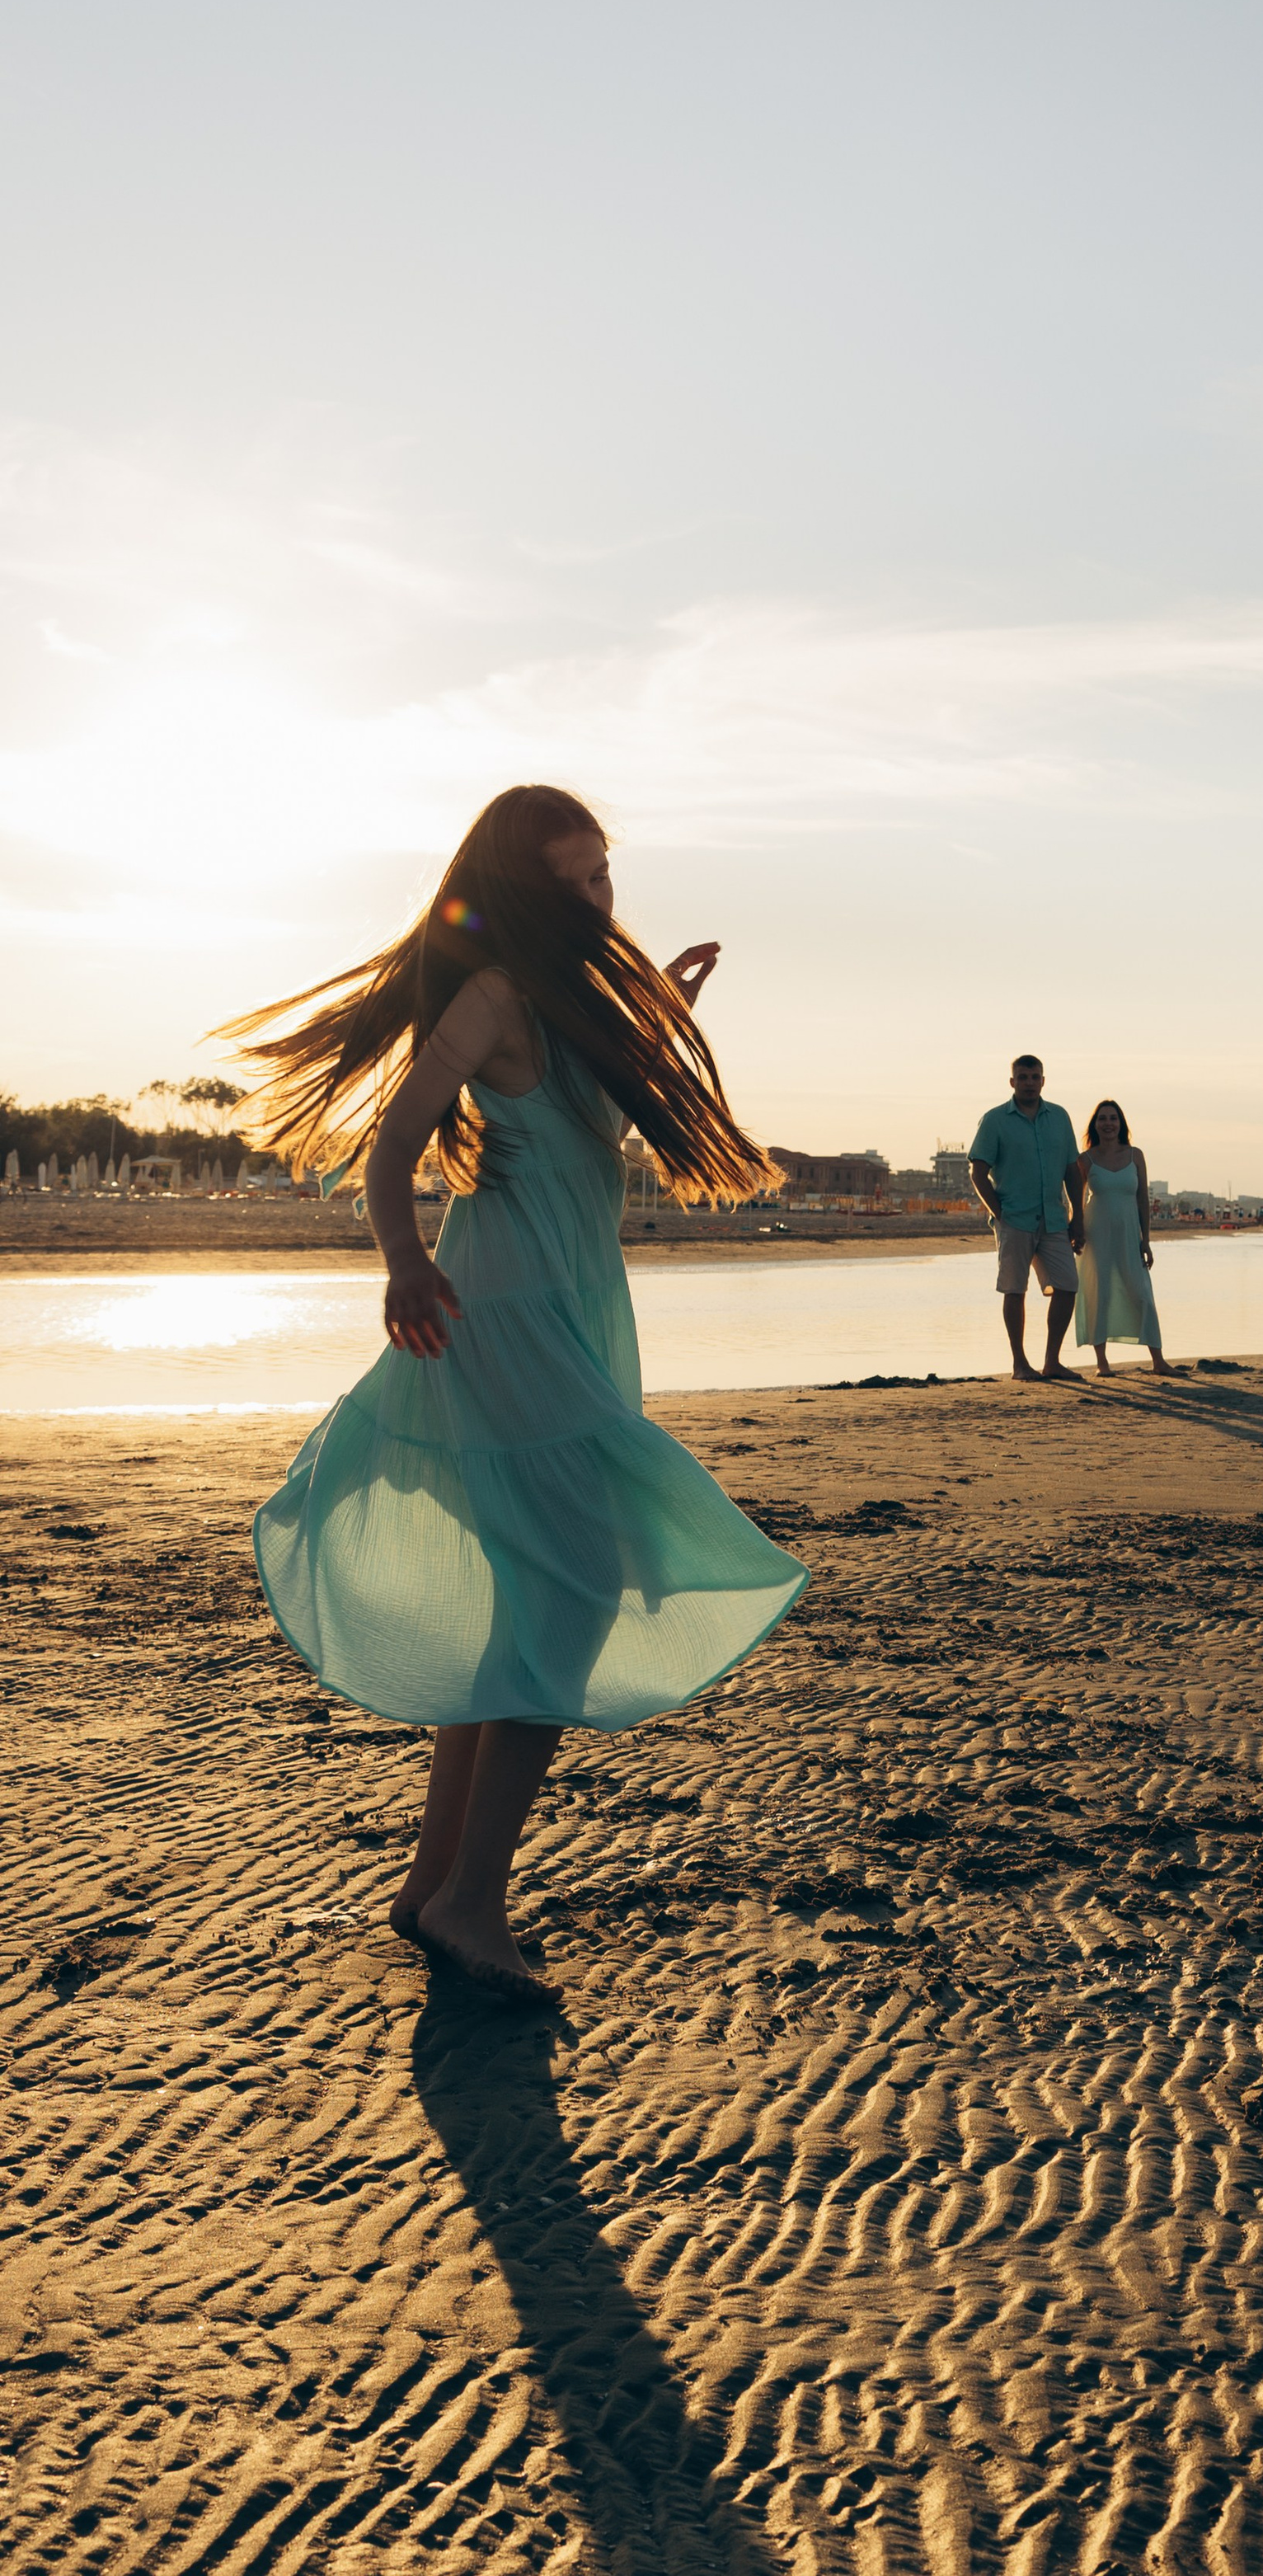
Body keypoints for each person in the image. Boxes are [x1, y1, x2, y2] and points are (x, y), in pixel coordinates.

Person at [219, 784, 805, 2002]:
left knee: (525, 1607)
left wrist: (674, 1007)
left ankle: (438, 1886)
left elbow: (592, 1114)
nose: (600, 898)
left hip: (569, 1314)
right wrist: (402, 1259)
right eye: (575, 880)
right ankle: (476, 1902)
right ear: (522, 893)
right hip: (509, 1317)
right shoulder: (491, 997)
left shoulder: (569, 1003)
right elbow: (392, 1144)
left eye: (606, 875)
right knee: (572, 1598)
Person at [966, 1055, 1082, 1381]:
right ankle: (1020, 1363)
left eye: (1035, 1076)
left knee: (1068, 1285)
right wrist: (999, 1213)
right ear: (1012, 1082)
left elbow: (1073, 1171)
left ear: (1043, 1081)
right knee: (1014, 1290)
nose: (1029, 1082)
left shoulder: (1059, 1118)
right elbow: (978, 1173)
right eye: (1023, 1076)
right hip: (1013, 1218)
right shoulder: (994, 1120)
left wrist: (1078, 1217)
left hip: (1055, 1220)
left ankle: (1052, 1361)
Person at [1072, 1098, 1175, 1376]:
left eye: (1113, 1118)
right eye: (1102, 1119)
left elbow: (1143, 1199)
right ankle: (1102, 1364)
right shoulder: (1085, 1160)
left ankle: (1159, 1361)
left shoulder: (1135, 1155)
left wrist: (1146, 1239)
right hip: (1096, 1235)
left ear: (1121, 1123)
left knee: (1141, 1294)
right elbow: (1076, 1200)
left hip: (1130, 1234)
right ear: (1095, 1125)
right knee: (1099, 1294)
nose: (1108, 1123)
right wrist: (1076, 1230)